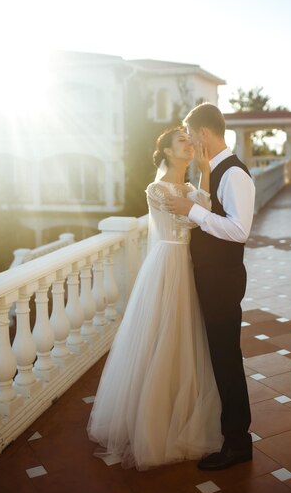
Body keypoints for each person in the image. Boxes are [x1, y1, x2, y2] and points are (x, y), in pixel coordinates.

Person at [87, 127, 223, 470]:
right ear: (164, 151)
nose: (190, 146)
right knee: (160, 339)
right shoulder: (157, 188)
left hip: (189, 267)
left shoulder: (189, 188)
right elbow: (188, 219)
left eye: (190, 142)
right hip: (167, 266)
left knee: (185, 341)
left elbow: (204, 212)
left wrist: (202, 183)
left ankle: (184, 412)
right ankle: (154, 424)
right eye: (182, 142)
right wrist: (205, 182)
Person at [165, 103, 255, 470]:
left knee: (227, 360)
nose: (190, 141)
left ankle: (237, 442)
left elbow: (238, 230)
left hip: (222, 282)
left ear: (204, 133)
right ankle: (230, 435)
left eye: (191, 133)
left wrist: (192, 211)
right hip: (211, 279)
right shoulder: (214, 171)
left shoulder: (233, 174)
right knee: (219, 358)